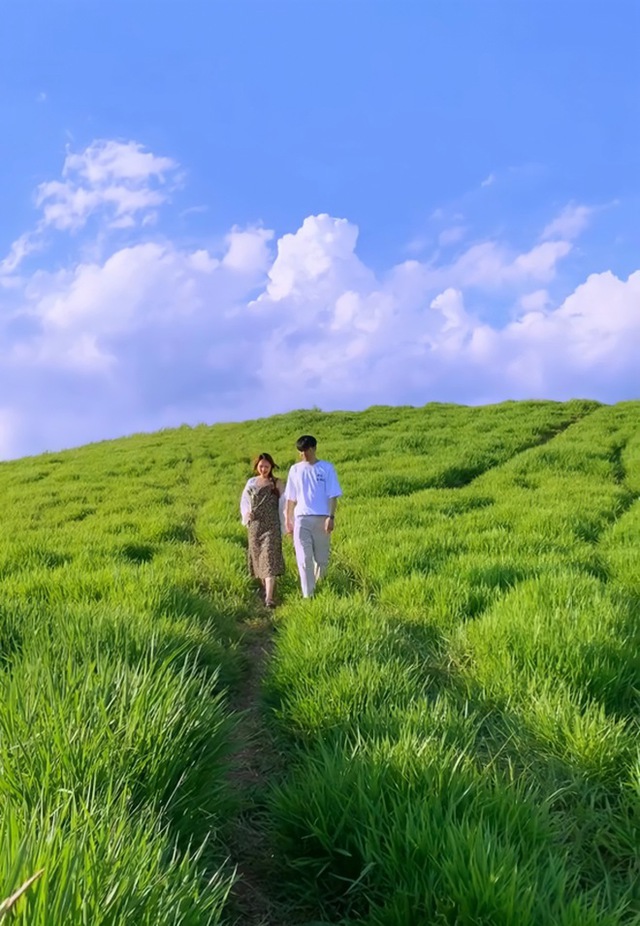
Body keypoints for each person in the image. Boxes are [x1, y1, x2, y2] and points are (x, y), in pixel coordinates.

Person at [285, 435, 342, 598]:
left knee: (322, 560)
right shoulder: (295, 470)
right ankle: (308, 595)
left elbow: (333, 495)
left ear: (314, 448)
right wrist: (288, 520)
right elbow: (290, 497)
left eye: (306, 450)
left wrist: (331, 517)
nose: (304, 455)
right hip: (302, 519)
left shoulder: (326, 468)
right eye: (300, 452)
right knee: (304, 559)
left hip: (322, 518)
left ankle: (319, 588)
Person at [240, 453, 285, 608]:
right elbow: (244, 502)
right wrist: (247, 514)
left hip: (272, 525)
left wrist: (286, 524)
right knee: (258, 557)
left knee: (269, 558)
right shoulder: (251, 482)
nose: (264, 469)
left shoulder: (277, 482)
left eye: (266, 466)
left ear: (271, 466)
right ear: (256, 467)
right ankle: (265, 591)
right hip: (255, 526)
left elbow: (284, 503)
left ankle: (269, 598)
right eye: (261, 466)